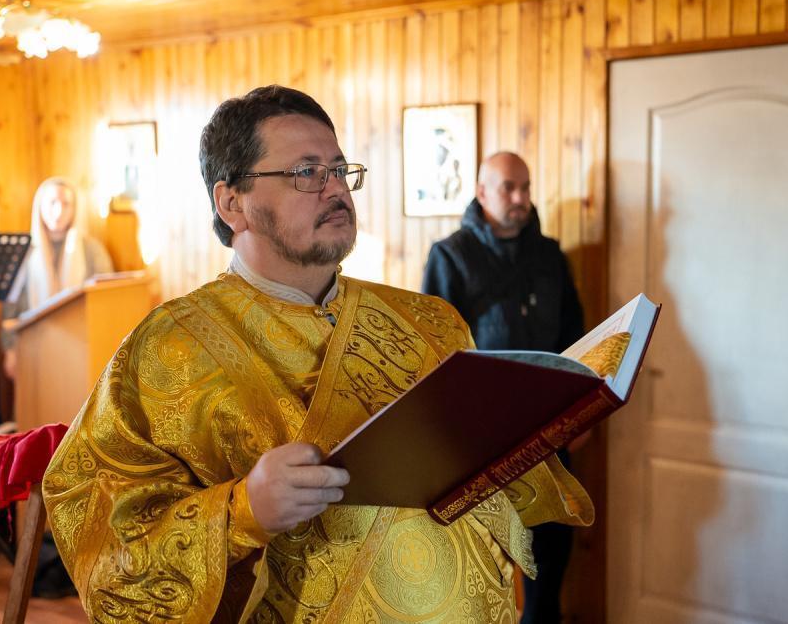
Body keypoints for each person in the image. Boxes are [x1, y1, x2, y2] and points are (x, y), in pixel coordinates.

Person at [42, 86, 594, 623]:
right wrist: (243, 511)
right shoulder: (167, 349)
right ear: (232, 202)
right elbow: (101, 533)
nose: (335, 189)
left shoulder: (429, 322)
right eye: (306, 172)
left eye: (339, 169)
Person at [422, 151, 586, 624]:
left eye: (526, 187)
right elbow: (435, 352)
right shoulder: (450, 256)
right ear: (482, 192)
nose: (520, 197)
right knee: (482, 569)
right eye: (508, 187)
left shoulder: (550, 256)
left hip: (551, 432)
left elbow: (575, 337)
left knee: (550, 565)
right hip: (479, 441)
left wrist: (582, 416)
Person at [2, 177, 113, 377]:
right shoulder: (23, 252)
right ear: (40, 207)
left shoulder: (92, 250)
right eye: (52, 202)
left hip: (81, 348)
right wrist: (10, 350)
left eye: (66, 204)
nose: (59, 211)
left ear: (75, 209)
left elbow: (106, 300)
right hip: (33, 348)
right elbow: (10, 308)